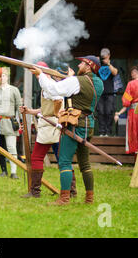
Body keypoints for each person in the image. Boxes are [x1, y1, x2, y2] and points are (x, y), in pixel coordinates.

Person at [28, 55, 104, 205]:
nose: (79, 65)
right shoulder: (99, 83)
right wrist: (69, 79)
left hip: (75, 124)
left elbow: (53, 89)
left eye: (82, 63)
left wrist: (40, 74)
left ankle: (64, 198)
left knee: (64, 162)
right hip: (89, 125)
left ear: (88, 66)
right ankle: (89, 198)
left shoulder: (78, 81)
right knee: (85, 164)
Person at [20, 62, 68, 198]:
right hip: (55, 125)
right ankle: (71, 191)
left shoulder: (47, 85)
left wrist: (57, 114)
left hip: (50, 126)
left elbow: (57, 102)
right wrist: (30, 111)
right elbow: (47, 108)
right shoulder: (49, 84)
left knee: (36, 157)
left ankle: (35, 192)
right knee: (63, 160)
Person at [96, 48, 118, 136]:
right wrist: (96, 62)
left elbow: (115, 72)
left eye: (105, 56)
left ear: (109, 55)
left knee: (109, 112)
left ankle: (108, 132)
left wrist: (108, 64)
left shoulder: (113, 63)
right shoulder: (98, 64)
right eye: (102, 56)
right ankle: (101, 131)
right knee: (100, 112)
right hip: (100, 92)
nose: (103, 58)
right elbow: (93, 72)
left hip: (110, 92)